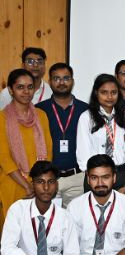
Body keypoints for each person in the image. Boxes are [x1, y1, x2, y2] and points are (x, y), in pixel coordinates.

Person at [0, 69, 52, 229]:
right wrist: (27, 185)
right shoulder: (2, 118)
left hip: (40, 185)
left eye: (30, 87)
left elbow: (49, 151)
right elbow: (4, 158)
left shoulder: (41, 115)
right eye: (20, 87)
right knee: (13, 232)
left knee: (37, 232)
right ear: (11, 90)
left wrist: (39, 182)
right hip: (13, 183)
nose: (26, 91)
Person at [36, 63, 89, 207]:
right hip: (48, 178)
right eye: (56, 78)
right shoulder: (39, 110)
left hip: (77, 178)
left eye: (66, 78)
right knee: (49, 218)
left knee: (75, 219)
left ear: (72, 81)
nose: (61, 82)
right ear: (50, 81)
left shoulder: (86, 110)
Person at [76, 73, 125, 194]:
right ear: (96, 93)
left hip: (120, 175)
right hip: (96, 177)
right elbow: (83, 153)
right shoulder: (86, 118)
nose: (109, 97)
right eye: (104, 92)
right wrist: (93, 180)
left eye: (114, 92)